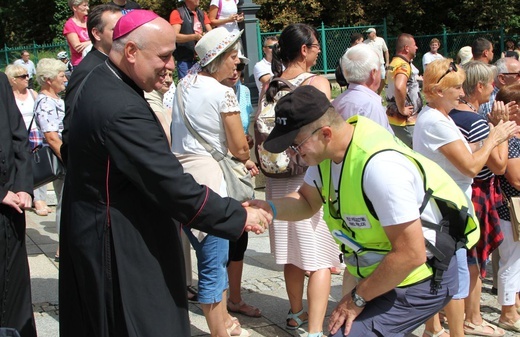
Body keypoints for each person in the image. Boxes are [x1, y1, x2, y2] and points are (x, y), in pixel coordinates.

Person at [60, 10, 270, 336]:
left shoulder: (102, 80)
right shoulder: (120, 106)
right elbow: (168, 183)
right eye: (165, 56)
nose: (172, 65)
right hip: (120, 242)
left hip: (105, 226)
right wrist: (236, 215)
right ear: (131, 52)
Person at [248, 85, 479, 337]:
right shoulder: (328, 154)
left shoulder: (380, 168)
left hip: (421, 278)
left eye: (296, 145)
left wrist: (356, 298)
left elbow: (411, 253)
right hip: (385, 273)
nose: (293, 154)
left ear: (325, 133)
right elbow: (306, 200)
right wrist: (269, 209)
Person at [413, 58, 517, 337]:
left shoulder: (438, 117)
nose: (462, 93)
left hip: (447, 209)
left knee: (445, 277)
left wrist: (487, 138)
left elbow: (462, 150)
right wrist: (495, 135)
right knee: (454, 283)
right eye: (456, 88)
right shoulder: (436, 120)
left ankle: (434, 330)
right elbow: (472, 166)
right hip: (446, 213)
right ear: (437, 91)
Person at [171, 27, 259, 336]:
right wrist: (245, 150)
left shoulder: (182, 85)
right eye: (233, 59)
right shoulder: (222, 93)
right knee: (213, 262)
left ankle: (223, 321)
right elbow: (238, 148)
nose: (237, 65)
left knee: (209, 256)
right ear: (217, 60)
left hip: (181, 178)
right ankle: (218, 330)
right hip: (212, 182)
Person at [257, 23, 341, 337]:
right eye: (316, 45)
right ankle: (316, 329)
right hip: (308, 174)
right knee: (319, 256)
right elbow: (325, 128)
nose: (319, 50)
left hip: (277, 176)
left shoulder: (271, 83)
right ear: (303, 50)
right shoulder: (317, 82)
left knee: (293, 253)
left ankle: (295, 314)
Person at [451, 61, 509, 337]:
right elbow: (499, 165)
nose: (494, 89)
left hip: (457, 191)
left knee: (464, 259)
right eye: (491, 84)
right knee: (475, 262)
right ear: (479, 87)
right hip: (478, 192)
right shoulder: (476, 121)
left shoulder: (451, 114)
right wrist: (501, 129)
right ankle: (472, 318)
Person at [221, 52, 261, 318]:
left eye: (239, 67)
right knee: (223, 240)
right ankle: (225, 302)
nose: (236, 71)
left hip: (237, 164)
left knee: (237, 239)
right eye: (232, 66)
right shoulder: (215, 93)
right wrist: (242, 154)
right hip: (222, 171)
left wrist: (245, 154)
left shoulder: (241, 91)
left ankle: (233, 298)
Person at [61, 3, 122, 165]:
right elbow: (72, 123)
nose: (123, 33)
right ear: (96, 33)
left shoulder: (114, 63)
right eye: (115, 29)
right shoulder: (88, 70)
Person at [0, 71, 36, 337]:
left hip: (11, 205)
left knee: (14, 290)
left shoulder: (1, 80)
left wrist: (23, 184)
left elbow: (17, 134)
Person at [5, 64, 51, 217]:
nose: (27, 78)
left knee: (37, 164)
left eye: (27, 75)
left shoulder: (32, 93)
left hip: (33, 134)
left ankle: (39, 198)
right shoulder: (8, 96)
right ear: (13, 80)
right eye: (23, 76)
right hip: (17, 135)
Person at [34, 58, 67, 262]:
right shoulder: (45, 102)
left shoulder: (55, 99)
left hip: (65, 155)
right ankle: (62, 249)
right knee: (64, 202)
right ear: (48, 79)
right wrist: (69, 160)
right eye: (61, 75)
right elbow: (52, 137)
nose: (64, 78)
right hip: (61, 159)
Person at [494, 83, 520, 333]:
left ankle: (515, 302)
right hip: (510, 209)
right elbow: (516, 178)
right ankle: (507, 313)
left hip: (516, 208)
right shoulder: (508, 136)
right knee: (511, 261)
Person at [332, 43, 393, 133]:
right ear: (373, 73)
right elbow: (382, 144)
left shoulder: (337, 102)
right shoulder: (371, 107)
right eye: (380, 67)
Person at [385, 33, 422, 148]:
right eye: (414, 45)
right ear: (407, 48)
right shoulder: (403, 65)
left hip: (395, 120)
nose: (416, 48)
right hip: (406, 122)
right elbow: (399, 86)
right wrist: (402, 110)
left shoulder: (393, 63)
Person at [169, 0, 212, 79]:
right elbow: (174, 36)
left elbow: (211, 32)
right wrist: (194, 37)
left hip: (203, 60)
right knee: (186, 88)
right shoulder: (177, 13)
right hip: (185, 61)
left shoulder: (202, 14)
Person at [63, 0, 92, 67]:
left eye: (87, 5)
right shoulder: (70, 24)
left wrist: (89, 43)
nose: (87, 8)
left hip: (95, 60)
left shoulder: (90, 20)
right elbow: (78, 47)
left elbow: (101, 38)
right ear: (75, 8)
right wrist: (93, 42)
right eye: (84, 5)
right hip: (80, 64)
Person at [363, 27, 389, 94]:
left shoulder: (381, 40)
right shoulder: (365, 43)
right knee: (372, 80)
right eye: (367, 33)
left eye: (369, 33)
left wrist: (387, 62)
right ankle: (373, 93)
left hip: (380, 64)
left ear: (374, 33)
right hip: (371, 65)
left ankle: (378, 93)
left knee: (383, 78)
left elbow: (386, 51)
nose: (368, 34)